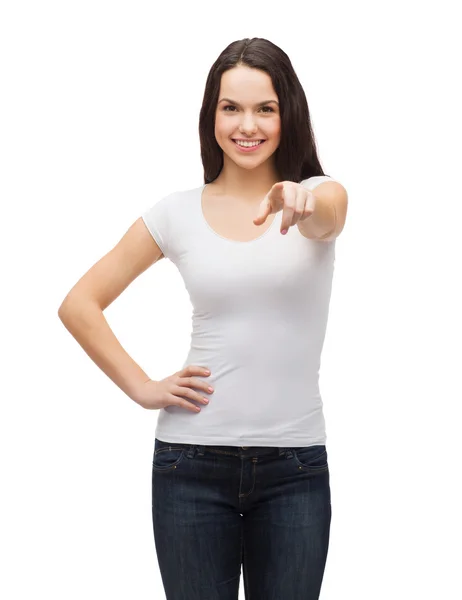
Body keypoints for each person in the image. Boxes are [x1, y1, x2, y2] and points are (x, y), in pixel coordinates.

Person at [58, 37, 348, 600]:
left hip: (295, 469)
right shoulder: (176, 212)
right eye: (231, 107)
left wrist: (300, 201)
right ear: (211, 114)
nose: (248, 125)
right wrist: (142, 387)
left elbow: (328, 218)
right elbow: (79, 303)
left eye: (265, 108)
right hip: (190, 467)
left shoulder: (317, 192)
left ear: (289, 112)